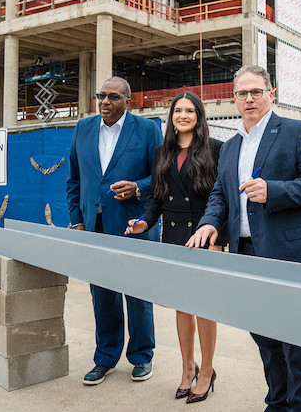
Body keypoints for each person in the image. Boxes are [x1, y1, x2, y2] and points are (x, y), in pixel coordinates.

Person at [187, 65, 301, 412]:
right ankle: (278, 402)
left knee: (299, 344)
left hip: (292, 255)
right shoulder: (230, 147)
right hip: (248, 254)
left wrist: (274, 191)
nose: (249, 99)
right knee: (266, 339)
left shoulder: (298, 132)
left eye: (256, 91)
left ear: (272, 93)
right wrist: (209, 223)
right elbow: (221, 196)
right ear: (233, 99)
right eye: (242, 93)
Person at [125, 91, 226, 404]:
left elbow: (219, 197)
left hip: (206, 236)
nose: (183, 116)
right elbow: (157, 195)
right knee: (183, 306)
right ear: (171, 116)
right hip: (172, 235)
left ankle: (207, 371)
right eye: (178, 111)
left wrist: (214, 231)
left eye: (190, 111)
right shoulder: (162, 151)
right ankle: (187, 368)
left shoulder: (215, 149)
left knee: (205, 307)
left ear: (199, 116)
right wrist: (145, 222)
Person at [66, 76, 163, 385]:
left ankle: (141, 356)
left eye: (113, 97)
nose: (105, 101)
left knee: (137, 293)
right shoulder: (83, 128)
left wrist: (138, 187)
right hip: (93, 226)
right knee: (102, 295)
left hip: (133, 225)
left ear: (127, 101)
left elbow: (161, 177)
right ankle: (105, 357)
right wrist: (77, 219)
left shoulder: (148, 130)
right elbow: (74, 180)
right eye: (101, 95)